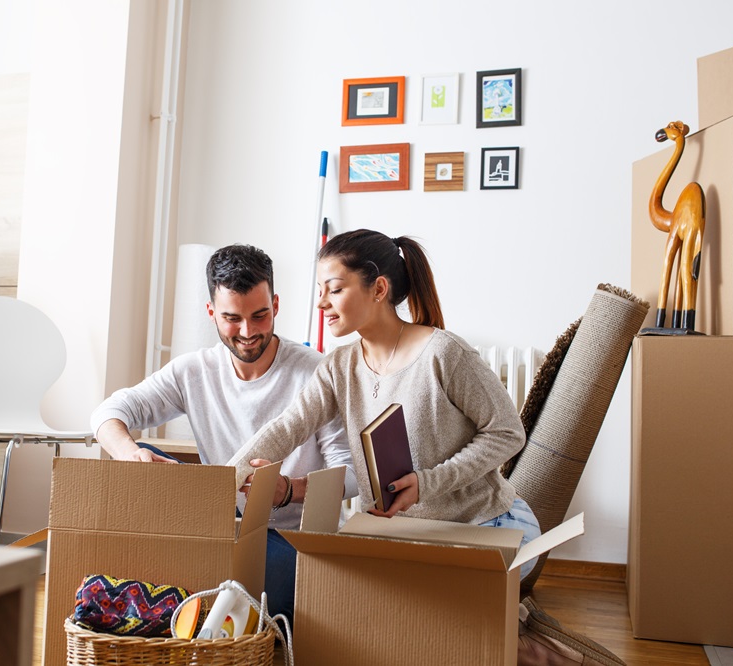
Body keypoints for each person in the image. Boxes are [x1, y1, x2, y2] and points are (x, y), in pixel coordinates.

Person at [229, 229, 541, 579]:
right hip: (399, 533)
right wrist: (224, 481)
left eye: (334, 289)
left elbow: (507, 433)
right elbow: (289, 426)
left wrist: (427, 483)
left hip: (486, 524)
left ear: (378, 289)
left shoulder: (443, 353)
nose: (321, 303)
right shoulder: (338, 367)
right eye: (320, 291)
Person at [90, 243, 358, 623]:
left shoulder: (317, 373)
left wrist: (288, 491)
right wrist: (130, 454)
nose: (248, 332)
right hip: (220, 528)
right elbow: (108, 412)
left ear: (276, 305)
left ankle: (203, 601)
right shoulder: (193, 371)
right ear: (211, 313)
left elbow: (351, 474)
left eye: (260, 316)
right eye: (232, 318)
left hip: (292, 538)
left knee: (238, 593)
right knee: (139, 456)